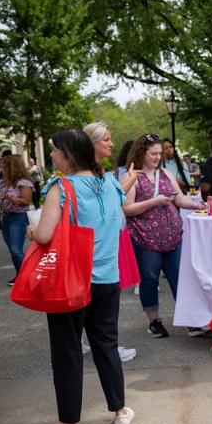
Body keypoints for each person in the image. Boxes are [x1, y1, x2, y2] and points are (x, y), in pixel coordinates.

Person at [28, 127, 135, 424]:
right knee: (106, 344)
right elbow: (117, 225)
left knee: (68, 349)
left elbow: (46, 234)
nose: (52, 154)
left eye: (55, 149)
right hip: (108, 277)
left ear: (69, 154)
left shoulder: (61, 186)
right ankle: (120, 411)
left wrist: (32, 232)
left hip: (72, 280)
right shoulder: (110, 183)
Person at [123, 133, 206, 338]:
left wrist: (197, 205)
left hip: (172, 236)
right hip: (145, 238)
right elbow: (126, 209)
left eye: (159, 153)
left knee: (179, 277)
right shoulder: (132, 176)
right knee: (150, 279)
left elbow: (178, 199)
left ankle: (190, 320)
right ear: (141, 153)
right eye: (153, 153)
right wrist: (153, 202)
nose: (157, 157)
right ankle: (154, 321)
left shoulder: (166, 174)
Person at [83, 122, 138, 362]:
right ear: (91, 143)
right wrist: (129, 180)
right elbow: (108, 200)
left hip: (97, 248)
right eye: (106, 139)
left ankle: (95, 342)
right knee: (102, 305)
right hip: (98, 250)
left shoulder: (94, 172)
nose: (111, 143)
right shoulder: (89, 175)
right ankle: (106, 347)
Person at [0, 155, 33, 284]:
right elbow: (2, 199)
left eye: (4, 166)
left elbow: (26, 201)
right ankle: (19, 274)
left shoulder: (24, 182)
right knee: (12, 250)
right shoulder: (4, 182)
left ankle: (28, 276)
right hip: (6, 218)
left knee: (16, 249)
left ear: (12, 167)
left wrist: (12, 199)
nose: (1, 168)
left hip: (18, 217)